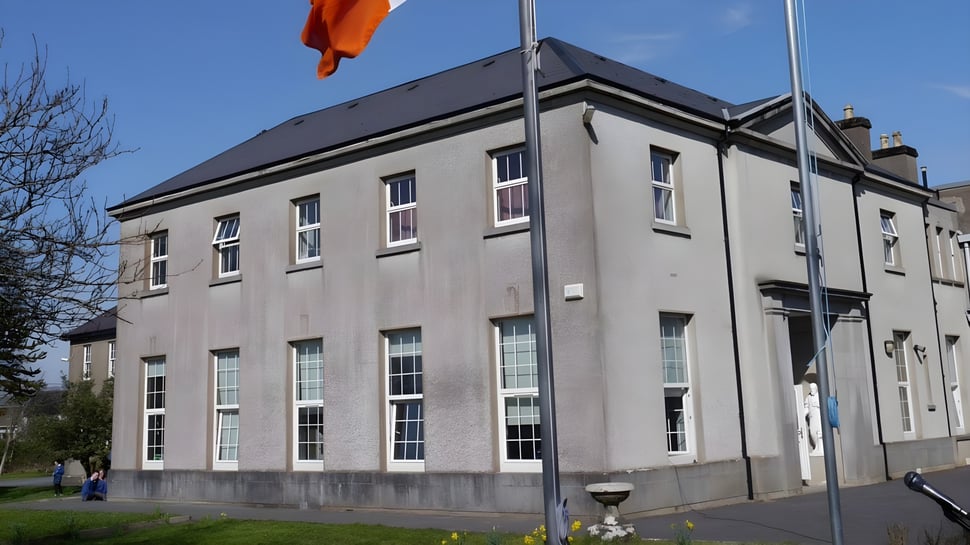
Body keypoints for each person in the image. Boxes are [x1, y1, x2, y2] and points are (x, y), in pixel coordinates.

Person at [804, 382, 823, 455]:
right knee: (812, 432)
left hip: (818, 417)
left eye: (813, 388)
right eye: (811, 388)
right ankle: (816, 447)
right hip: (812, 418)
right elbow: (806, 407)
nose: (812, 390)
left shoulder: (819, 396)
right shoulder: (808, 397)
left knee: (819, 432)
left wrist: (817, 405)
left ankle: (821, 448)